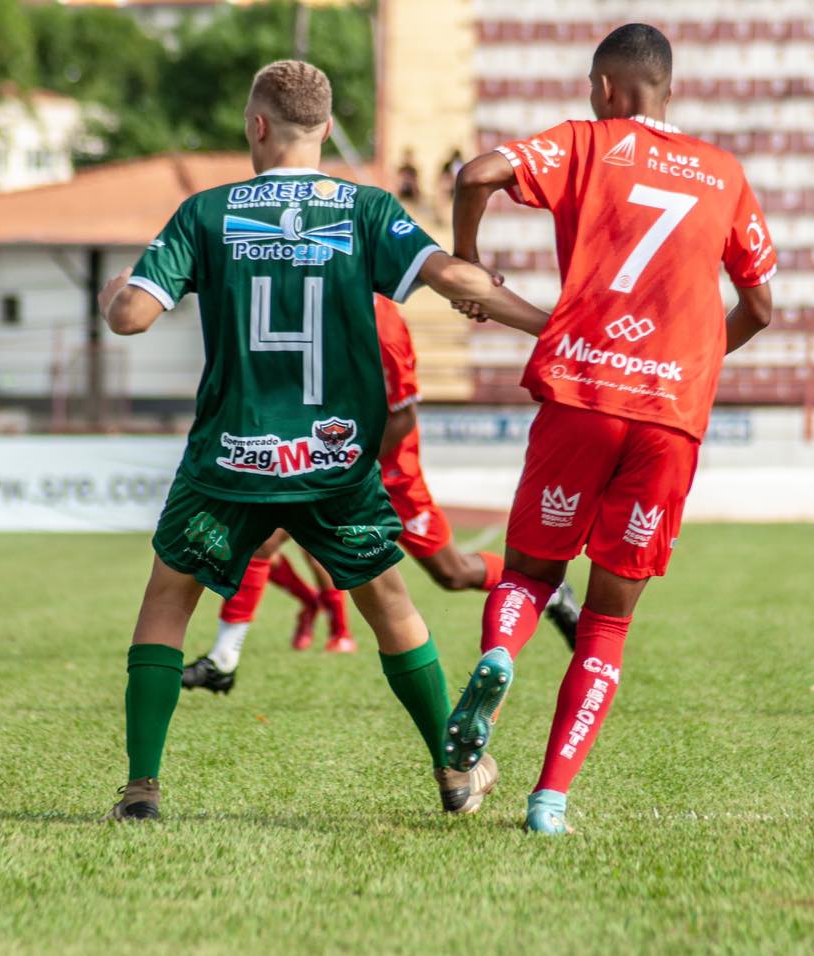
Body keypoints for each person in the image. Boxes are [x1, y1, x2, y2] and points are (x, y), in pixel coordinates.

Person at [97, 60, 550, 822]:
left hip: (230, 462)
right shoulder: (366, 210)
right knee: (392, 606)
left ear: (257, 126)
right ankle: (452, 772)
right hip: (335, 463)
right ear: (326, 129)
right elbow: (454, 278)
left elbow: (133, 319)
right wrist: (552, 325)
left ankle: (142, 788)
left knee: (168, 602)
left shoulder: (206, 213)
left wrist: (118, 293)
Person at [443, 23, 776, 835]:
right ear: (668, 88)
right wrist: (691, 362)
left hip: (583, 399)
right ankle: (550, 801)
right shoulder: (724, 174)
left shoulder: (587, 142)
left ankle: (499, 657)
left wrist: (470, 259)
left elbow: (476, 173)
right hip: (669, 420)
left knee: (527, 576)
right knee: (608, 621)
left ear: (603, 89)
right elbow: (763, 307)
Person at [180, 295, 581, 695]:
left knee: (452, 572)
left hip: (387, 468)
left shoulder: (383, 325)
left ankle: (548, 592)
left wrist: (353, 468)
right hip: (325, 454)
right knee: (264, 541)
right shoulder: (314, 295)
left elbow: (402, 417)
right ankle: (223, 660)